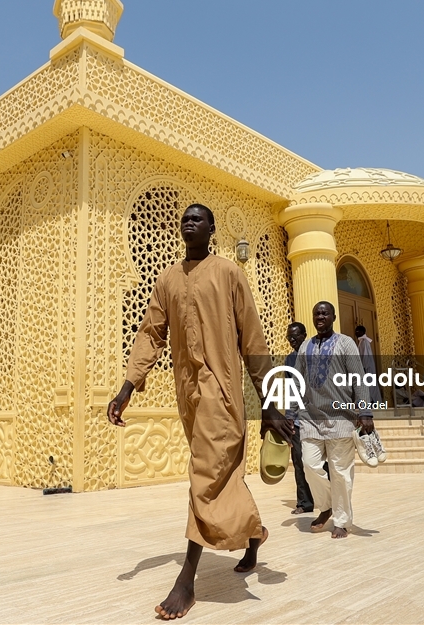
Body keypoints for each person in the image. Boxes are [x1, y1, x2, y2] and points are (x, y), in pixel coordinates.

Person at [107, 204, 293, 620]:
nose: (189, 221)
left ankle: (186, 580)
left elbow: (254, 341)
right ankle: (255, 533)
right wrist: (126, 388)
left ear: (211, 229)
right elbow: (151, 333)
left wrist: (270, 404)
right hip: (188, 395)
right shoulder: (168, 279)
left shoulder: (229, 273)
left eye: (198, 217)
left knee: (204, 477)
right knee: (217, 472)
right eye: (185, 217)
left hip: (223, 392)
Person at [293, 301, 372, 539]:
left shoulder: (346, 343)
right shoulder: (306, 345)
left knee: (340, 472)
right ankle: (326, 505)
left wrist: (365, 411)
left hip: (341, 417)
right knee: (310, 465)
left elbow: (359, 378)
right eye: (317, 313)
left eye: (325, 313)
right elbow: (297, 379)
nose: (320, 316)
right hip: (310, 418)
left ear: (333, 317)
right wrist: (290, 413)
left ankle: (341, 520)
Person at [284, 322, 315, 515]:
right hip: (297, 419)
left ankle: (326, 499)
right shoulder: (289, 360)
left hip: (316, 418)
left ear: (304, 335)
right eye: (289, 337)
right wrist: (289, 417)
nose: (292, 340)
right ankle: (304, 502)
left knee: (319, 463)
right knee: (298, 461)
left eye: (295, 336)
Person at [354, 325, 383, 403]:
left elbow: (366, 356)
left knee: (369, 386)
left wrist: (364, 368)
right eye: (356, 331)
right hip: (365, 368)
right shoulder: (361, 341)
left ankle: (373, 402)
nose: (356, 333)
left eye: (358, 331)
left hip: (367, 368)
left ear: (363, 332)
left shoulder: (364, 342)